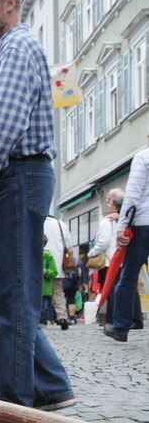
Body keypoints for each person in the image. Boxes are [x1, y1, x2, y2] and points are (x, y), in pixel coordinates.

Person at [0, 0, 74, 410]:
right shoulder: (14, 48)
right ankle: (50, 386)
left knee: (13, 291)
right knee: (12, 286)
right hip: (22, 175)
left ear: (9, 4)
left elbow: (3, 121)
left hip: (19, 174)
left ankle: (12, 401)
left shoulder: (17, 48)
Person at [105, 146, 149, 342]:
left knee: (128, 276)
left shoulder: (143, 157)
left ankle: (120, 328)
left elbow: (131, 196)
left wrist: (122, 226)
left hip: (143, 225)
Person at [89, 189, 123, 323]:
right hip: (119, 259)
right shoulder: (121, 218)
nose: (107, 204)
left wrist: (91, 253)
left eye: (110, 201)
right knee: (118, 288)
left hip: (110, 261)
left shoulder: (107, 220)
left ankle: (111, 318)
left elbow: (103, 242)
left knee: (111, 289)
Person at [43, 214, 74, 329]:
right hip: (56, 263)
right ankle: (62, 317)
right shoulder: (60, 224)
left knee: (38, 291)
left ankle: (40, 317)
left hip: (39, 262)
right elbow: (69, 245)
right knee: (58, 291)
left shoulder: (35, 221)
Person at [41, 235, 58, 324]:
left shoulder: (48, 256)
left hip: (45, 289)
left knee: (44, 308)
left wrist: (46, 271)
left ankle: (42, 323)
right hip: (33, 289)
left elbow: (54, 272)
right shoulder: (30, 255)